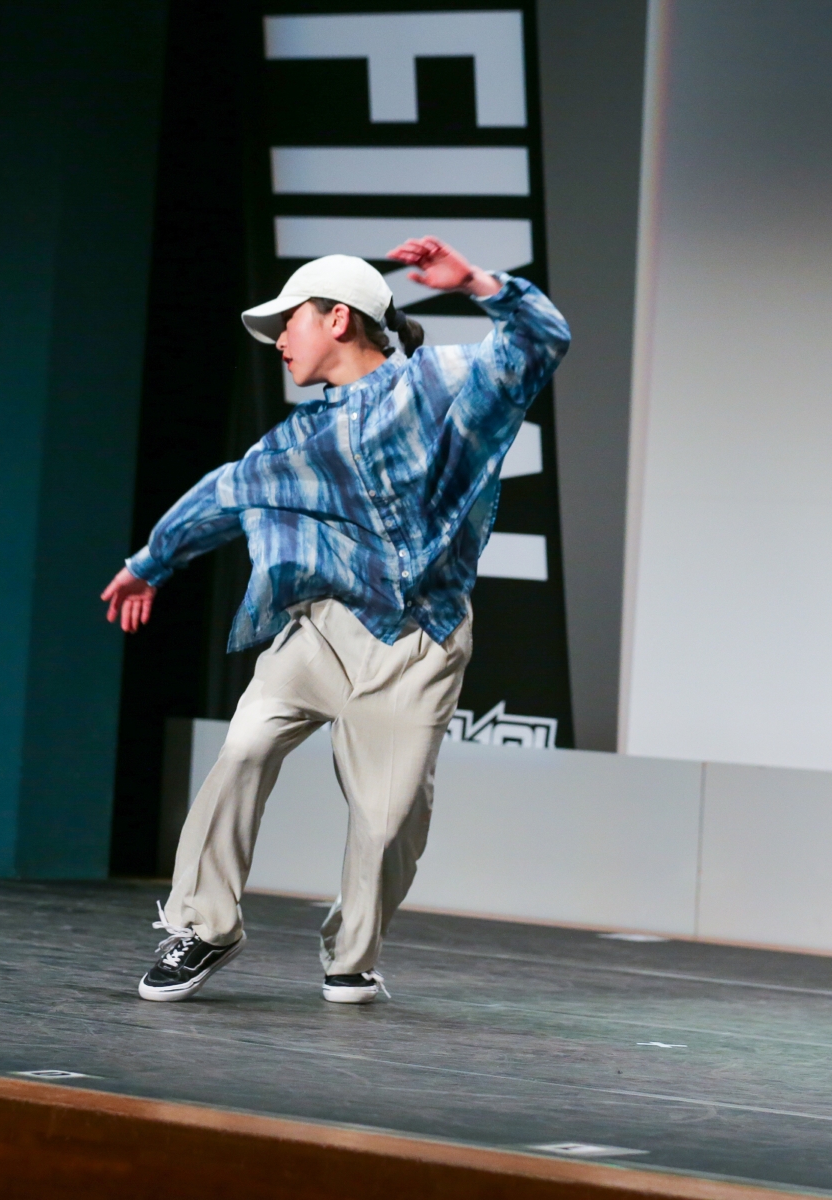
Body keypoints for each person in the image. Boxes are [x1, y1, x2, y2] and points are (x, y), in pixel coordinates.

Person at [101, 236, 569, 1003]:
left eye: (289, 321)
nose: (279, 340)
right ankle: (205, 926)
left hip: (418, 644)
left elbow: (539, 342)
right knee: (245, 746)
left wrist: (475, 282)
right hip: (319, 635)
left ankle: (352, 955)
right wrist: (150, 562)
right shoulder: (298, 439)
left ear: (339, 319)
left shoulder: (441, 386)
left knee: (388, 823)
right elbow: (226, 491)